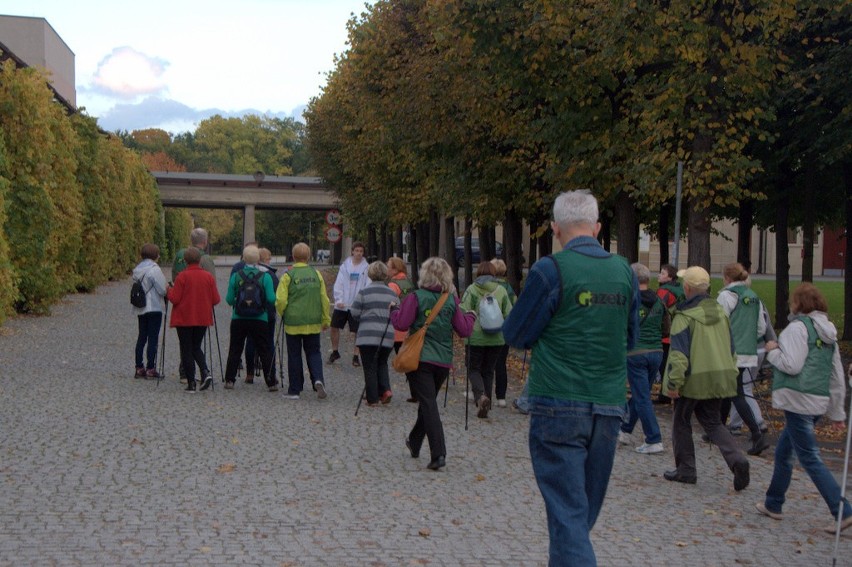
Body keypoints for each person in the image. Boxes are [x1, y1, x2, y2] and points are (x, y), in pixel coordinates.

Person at [502, 190, 639, 566]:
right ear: (596, 227)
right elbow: (630, 336)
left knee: (569, 516)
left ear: (555, 228)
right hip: (609, 406)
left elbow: (515, 334)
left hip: (558, 404)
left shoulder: (550, 270)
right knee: (577, 517)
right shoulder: (624, 271)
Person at [756, 283, 852, 534]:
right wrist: (837, 411)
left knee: (809, 457)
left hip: (797, 399)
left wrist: (772, 351)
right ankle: (773, 502)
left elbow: (792, 365)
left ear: (798, 304)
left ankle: (842, 510)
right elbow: (836, 374)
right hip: (817, 400)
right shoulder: (828, 331)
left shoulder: (797, 329)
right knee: (785, 452)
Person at [662, 265, 751, 491]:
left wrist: (674, 384)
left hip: (693, 378)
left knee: (681, 421)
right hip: (720, 375)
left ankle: (686, 469)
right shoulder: (721, 312)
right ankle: (737, 460)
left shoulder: (684, 317)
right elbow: (731, 347)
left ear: (687, 287)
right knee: (713, 422)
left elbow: (679, 356)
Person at [391, 257, 476, 471]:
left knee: (428, 404)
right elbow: (464, 330)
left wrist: (393, 310)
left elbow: (401, 323)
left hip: (419, 358)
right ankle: (415, 440)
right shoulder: (451, 301)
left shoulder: (415, 297)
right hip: (443, 361)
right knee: (428, 402)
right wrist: (471, 316)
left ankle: (438, 453)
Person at [717, 262, 771, 456]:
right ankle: (719, 428)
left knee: (736, 393)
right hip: (748, 351)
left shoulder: (726, 295)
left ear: (727, 278)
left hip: (729, 351)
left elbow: (719, 324)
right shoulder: (753, 296)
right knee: (730, 389)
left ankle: (757, 434)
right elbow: (761, 328)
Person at [618, 263, 669, 454]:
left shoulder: (629, 300)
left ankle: (653, 438)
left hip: (635, 353)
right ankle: (626, 430)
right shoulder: (659, 300)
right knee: (642, 393)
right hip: (656, 352)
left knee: (642, 397)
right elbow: (666, 327)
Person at [276, 243, 331, 399]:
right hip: (313, 320)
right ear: (308, 256)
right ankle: (318, 379)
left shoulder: (288, 275)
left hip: (293, 321)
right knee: (314, 352)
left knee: (294, 354)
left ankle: (295, 389)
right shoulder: (316, 274)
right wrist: (326, 318)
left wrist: (283, 313)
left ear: (293, 257)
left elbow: (280, 299)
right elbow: (324, 299)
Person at [460, 261, 512, 419]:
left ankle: (481, 396)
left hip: (475, 337)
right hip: (496, 338)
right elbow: (509, 312)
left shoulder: (472, 288)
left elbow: (463, 309)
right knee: (489, 371)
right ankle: (486, 402)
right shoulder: (501, 290)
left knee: (473, 369)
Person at [223, 245, 278, 391]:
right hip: (260, 318)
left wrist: (239, 303)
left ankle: (229, 380)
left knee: (235, 348)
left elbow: (228, 299)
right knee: (264, 348)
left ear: (243, 258)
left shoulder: (237, 275)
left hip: (239, 317)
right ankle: (271, 381)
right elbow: (272, 299)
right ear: (258, 259)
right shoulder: (265, 276)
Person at [166, 247, 221, 392]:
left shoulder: (181, 277)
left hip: (184, 318)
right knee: (196, 346)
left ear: (185, 260)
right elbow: (216, 299)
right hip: (202, 317)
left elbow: (175, 298)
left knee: (186, 349)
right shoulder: (208, 277)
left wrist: (168, 290)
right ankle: (205, 371)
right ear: (200, 260)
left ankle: (191, 383)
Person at [172, 227, 217, 383]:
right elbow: (212, 287)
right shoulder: (206, 259)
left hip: (182, 306)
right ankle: (200, 372)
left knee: (185, 343)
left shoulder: (179, 256)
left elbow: (174, 279)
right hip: (200, 307)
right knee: (195, 344)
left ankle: (186, 373)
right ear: (205, 242)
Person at [350, 261, 399, 406]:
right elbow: (397, 313)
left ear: (370, 275)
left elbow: (354, 312)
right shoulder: (392, 293)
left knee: (369, 366)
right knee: (382, 363)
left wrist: (364, 317)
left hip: (367, 335)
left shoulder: (364, 292)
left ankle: (372, 398)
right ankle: (385, 390)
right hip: (387, 335)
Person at [329, 241, 371, 366]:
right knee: (334, 327)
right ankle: (335, 351)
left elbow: (367, 286)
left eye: (361, 251)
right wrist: (339, 300)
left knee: (357, 331)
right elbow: (339, 283)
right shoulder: (345, 266)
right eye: (356, 251)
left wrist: (361, 301)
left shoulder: (366, 268)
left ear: (363, 253)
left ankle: (356, 355)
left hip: (356, 305)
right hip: (343, 305)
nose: (358, 253)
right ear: (352, 251)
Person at [131, 243, 168, 378]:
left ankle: (139, 366)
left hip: (141, 306)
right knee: (153, 338)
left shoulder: (137, 269)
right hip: (153, 306)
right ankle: (151, 367)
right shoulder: (154, 269)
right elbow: (162, 289)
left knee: (142, 336)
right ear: (156, 255)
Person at [245, 247, 279, 383]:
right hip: (267, 314)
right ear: (266, 259)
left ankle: (249, 373)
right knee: (269, 343)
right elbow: (275, 296)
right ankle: (271, 374)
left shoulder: (248, 273)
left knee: (251, 342)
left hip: (249, 312)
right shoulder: (270, 275)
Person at [387, 256, 416, 402]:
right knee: (408, 362)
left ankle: (381, 389)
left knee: (380, 360)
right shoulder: (408, 281)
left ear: (395, 269)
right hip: (408, 327)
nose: (387, 269)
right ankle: (416, 392)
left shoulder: (393, 285)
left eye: (389, 267)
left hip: (395, 328)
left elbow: (389, 305)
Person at [654, 264, 683, 404]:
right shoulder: (680, 289)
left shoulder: (664, 291)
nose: (659, 275)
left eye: (662, 273)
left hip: (665, 334)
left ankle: (664, 394)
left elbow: (658, 310)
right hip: (679, 330)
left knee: (664, 364)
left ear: (670, 277)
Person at [490, 258, 517, 408]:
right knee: (501, 363)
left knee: (485, 363)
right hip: (503, 330)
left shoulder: (487, 286)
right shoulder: (508, 288)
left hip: (487, 330)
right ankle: (501, 397)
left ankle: (482, 392)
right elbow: (514, 308)